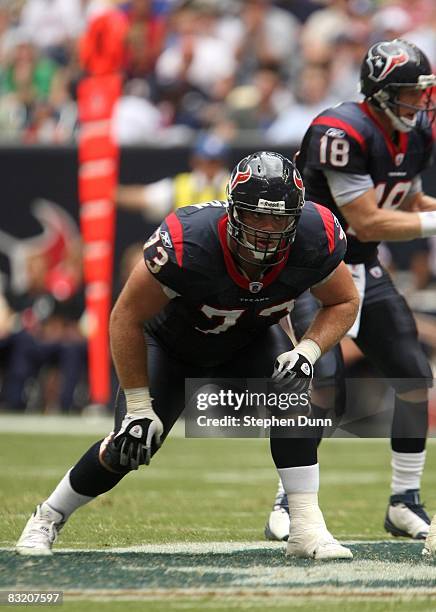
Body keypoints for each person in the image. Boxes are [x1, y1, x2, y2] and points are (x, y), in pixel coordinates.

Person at [15, 151, 359, 560]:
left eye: (280, 219)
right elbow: (125, 317)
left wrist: (307, 349)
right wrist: (140, 407)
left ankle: (305, 526)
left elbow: (343, 300)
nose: (268, 230)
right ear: (233, 210)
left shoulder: (315, 234)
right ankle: (48, 517)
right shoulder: (188, 241)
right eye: (256, 217)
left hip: (248, 340)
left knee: (293, 398)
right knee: (132, 445)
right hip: (170, 345)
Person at [265, 38, 436, 544]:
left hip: (363, 264)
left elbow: (405, 197)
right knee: (321, 387)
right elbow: (365, 216)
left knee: (413, 374)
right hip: (317, 267)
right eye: (409, 93)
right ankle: (289, 502)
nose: (419, 103)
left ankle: (404, 501)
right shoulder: (340, 132)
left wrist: (430, 209)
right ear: (381, 94)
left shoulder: (416, 132)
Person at [116, 133, 229, 222]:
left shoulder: (234, 186)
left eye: (215, 162)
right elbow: (144, 198)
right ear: (195, 161)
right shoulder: (182, 185)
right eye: (206, 162)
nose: (210, 168)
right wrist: (108, 192)